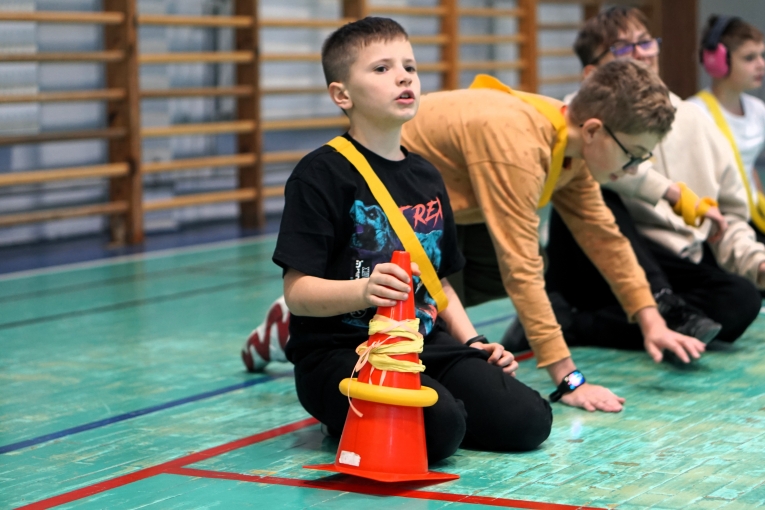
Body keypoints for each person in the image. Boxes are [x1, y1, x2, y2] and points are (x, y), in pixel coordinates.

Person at [271, 17, 552, 464]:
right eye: (381, 69)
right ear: (342, 95)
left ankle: (437, 402)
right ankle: (344, 410)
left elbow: (439, 287)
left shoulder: (427, 175)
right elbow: (297, 295)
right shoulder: (319, 174)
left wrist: (474, 342)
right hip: (343, 352)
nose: (404, 77)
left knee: (529, 421)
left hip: (424, 344)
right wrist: (362, 291)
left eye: (410, 67)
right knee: (440, 429)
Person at [400, 56, 700, 415]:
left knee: (516, 275)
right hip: (388, 214)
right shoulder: (520, 148)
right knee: (512, 278)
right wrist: (569, 380)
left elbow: (605, 238)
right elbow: (520, 268)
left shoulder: (571, 148)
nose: (632, 169)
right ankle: (425, 329)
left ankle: (439, 326)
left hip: (446, 211)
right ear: (592, 131)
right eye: (632, 156)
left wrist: (652, 322)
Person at [536, 7, 763, 362]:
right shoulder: (575, 115)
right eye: (624, 48)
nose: (642, 53)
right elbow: (611, 175)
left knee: (741, 299)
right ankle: (660, 305)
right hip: (599, 261)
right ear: (593, 73)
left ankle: (580, 325)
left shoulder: (697, 119)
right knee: (592, 185)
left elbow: (728, 214)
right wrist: (672, 193)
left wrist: (757, 262)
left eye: (645, 42)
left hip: (675, 262)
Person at [688, 16, 765, 250]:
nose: (761, 64)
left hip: (753, 214)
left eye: (762, 55)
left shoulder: (758, 110)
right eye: (749, 58)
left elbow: (746, 166)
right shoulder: (694, 113)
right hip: (721, 222)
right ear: (717, 62)